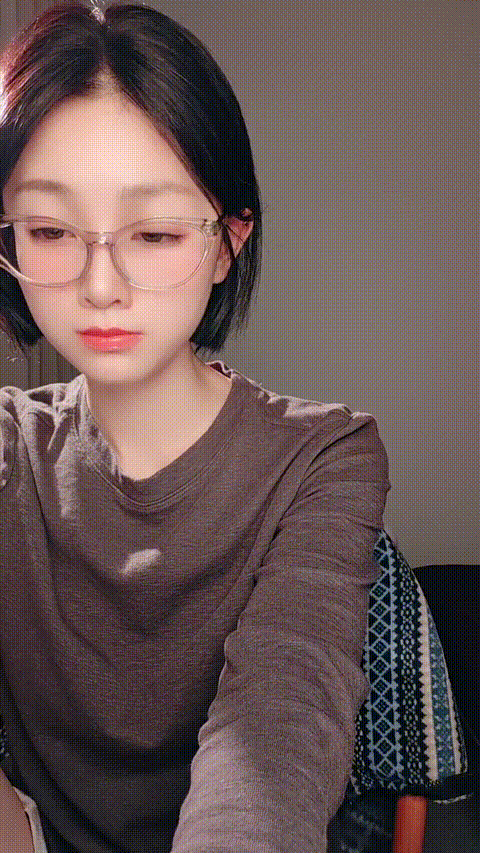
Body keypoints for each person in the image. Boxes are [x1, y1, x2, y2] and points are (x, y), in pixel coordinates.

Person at [0, 3, 391, 852]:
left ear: (226, 243)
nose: (100, 285)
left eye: (155, 232)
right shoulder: (10, 447)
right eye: (50, 230)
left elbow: (279, 721)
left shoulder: (325, 455)